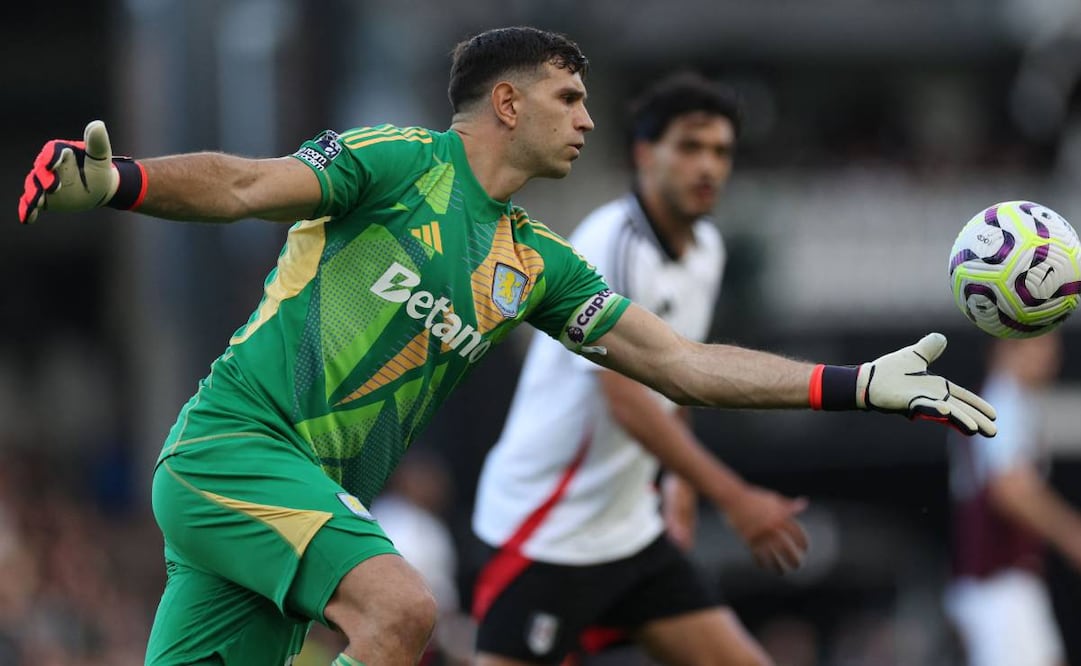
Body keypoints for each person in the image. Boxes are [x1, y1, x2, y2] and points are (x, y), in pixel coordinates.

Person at [16, 25, 995, 666]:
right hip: (234, 450)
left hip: (297, 492)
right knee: (400, 612)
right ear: (509, 104)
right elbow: (240, 186)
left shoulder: (538, 264)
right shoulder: (395, 163)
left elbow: (682, 367)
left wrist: (856, 383)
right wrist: (121, 183)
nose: (588, 118)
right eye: (570, 98)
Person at [470, 71, 807, 666]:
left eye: (721, 152)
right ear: (645, 154)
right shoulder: (611, 241)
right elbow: (623, 398)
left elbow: (677, 381)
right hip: (548, 526)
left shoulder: (707, 251)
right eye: (690, 147)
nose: (708, 166)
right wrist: (733, 497)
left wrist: (675, 487)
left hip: (629, 532)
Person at [944, 331, 1081, 666]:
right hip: (999, 587)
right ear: (1007, 347)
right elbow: (1009, 490)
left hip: (1000, 587)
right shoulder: (1003, 403)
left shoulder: (1000, 401)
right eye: (1042, 342)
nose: (1053, 354)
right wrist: (1073, 535)